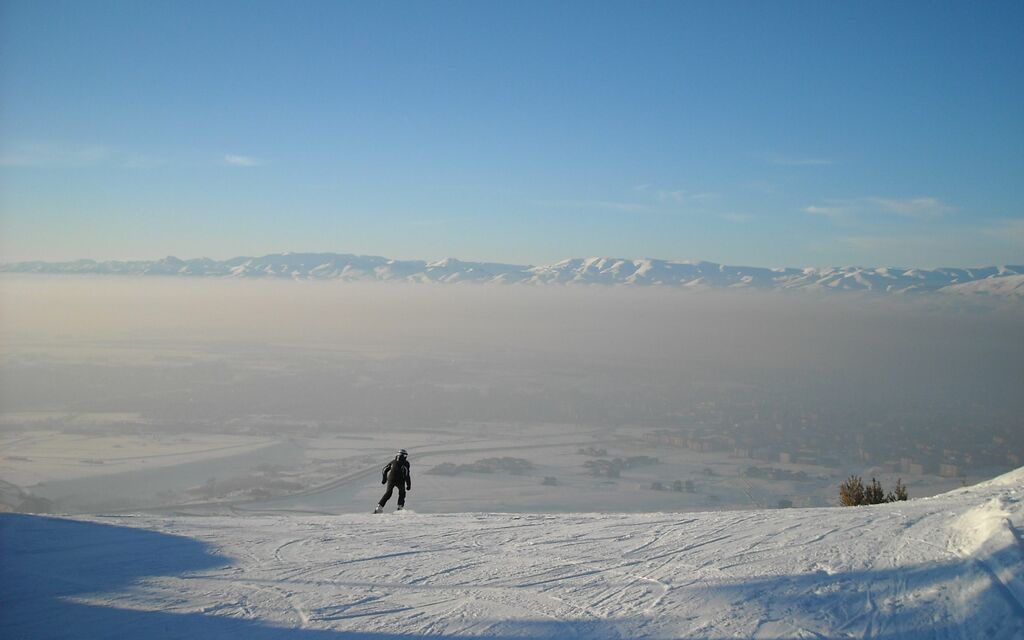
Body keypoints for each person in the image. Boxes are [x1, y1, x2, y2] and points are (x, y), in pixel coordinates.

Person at [374, 449, 411, 513]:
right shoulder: (406, 463)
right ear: (404, 456)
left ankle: (379, 507)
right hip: (400, 481)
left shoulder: (393, 462)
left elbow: (384, 470)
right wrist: (408, 484)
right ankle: (400, 508)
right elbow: (406, 474)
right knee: (402, 493)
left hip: (391, 479)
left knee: (388, 493)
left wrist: (384, 479)